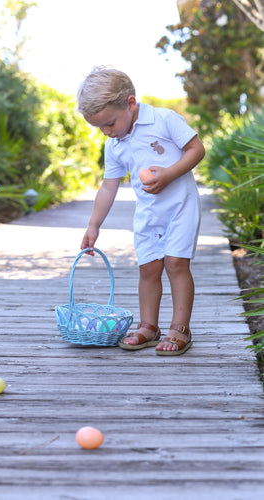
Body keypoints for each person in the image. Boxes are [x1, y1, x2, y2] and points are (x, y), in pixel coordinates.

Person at [77, 67, 205, 355]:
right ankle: (149, 326)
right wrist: (93, 225)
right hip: (148, 212)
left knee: (175, 264)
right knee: (148, 268)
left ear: (130, 103)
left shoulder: (163, 119)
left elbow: (197, 149)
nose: (107, 131)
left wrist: (170, 174)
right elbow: (108, 187)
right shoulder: (114, 144)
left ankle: (180, 328)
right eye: (100, 128)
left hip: (180, 207)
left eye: (109, 123)